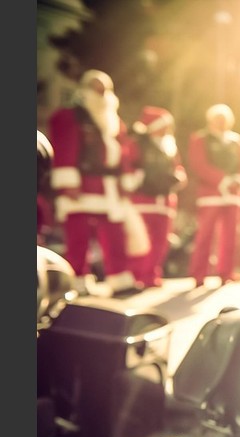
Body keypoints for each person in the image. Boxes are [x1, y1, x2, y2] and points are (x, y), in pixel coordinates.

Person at [47, 69, 143, 296]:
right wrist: (68, 182)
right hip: (82, 185)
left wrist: (125, 182)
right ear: (85, 90)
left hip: (108, 187)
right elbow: (65, 149)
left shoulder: (115, 122)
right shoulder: (69, 116)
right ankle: (75, 282)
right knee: (78, 238)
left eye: (104, 89)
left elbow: (124, 155)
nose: (100, 94)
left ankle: (120, 281)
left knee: (115, 236)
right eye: (95, 88)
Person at [187, 103, 240, 288]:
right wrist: (221, 180)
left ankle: (226, 272)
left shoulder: (237, 141)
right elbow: (198, 164)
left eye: (224, 119)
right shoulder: (200, 139)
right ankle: (199, 274)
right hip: (211, 194)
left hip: (234, 194)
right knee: (205, 235)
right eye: (218, 119)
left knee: (231, 235)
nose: (221, 122)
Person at [126, 106, 188, 288]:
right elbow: (128, 165)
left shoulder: (169, 147)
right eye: (163, 126)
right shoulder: (137, 144)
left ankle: (151, 274)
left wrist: (179, 177)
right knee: (139, 240)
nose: (167, 130)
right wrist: (136, 178)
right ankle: (136, 275)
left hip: (165, 200)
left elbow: (177, 167)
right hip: (143, 200)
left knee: (161, 241)